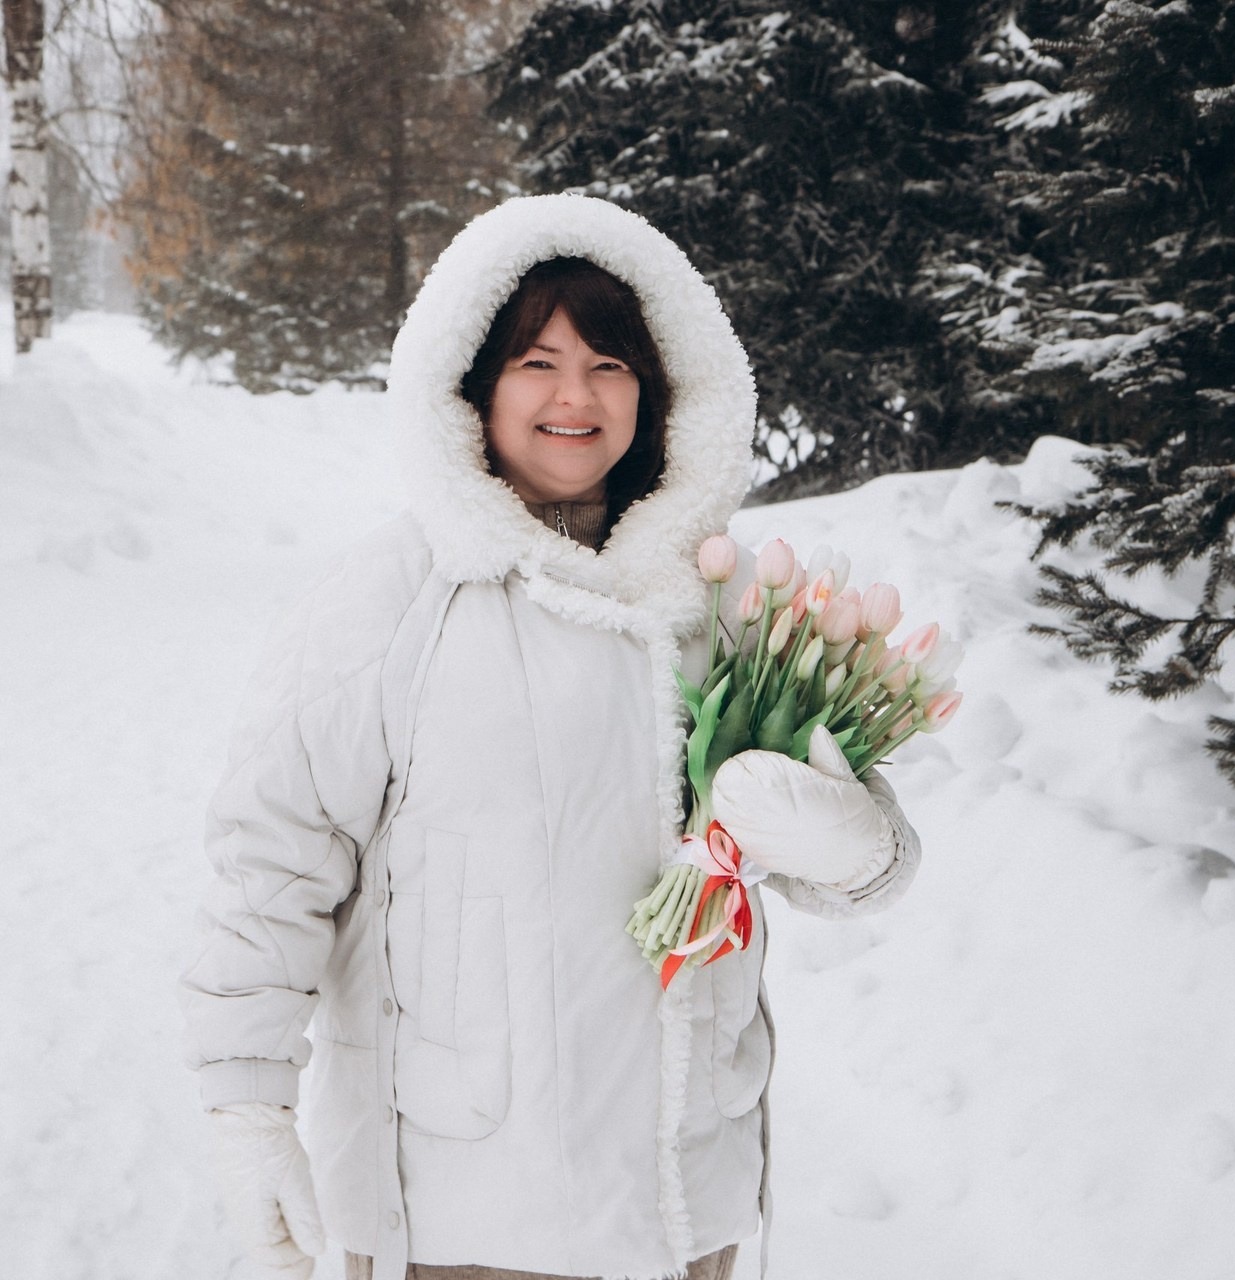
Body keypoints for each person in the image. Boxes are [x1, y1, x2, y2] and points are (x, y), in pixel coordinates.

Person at [181, 194, 921, 1280]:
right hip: (469, 1212)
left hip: (681, 1203)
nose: (574, 396)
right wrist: (247, 1104)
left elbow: (843, 853)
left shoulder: (722, 599)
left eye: (609, 364)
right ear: (471, 387)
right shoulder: (391, 595)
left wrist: (854, 844)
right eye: (536, 361)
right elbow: (270, 859)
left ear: (658, 391)